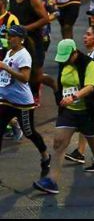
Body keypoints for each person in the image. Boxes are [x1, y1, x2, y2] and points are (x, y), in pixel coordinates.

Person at [33, 39, 94, 194]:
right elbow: (61, 84)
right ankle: (52, 180)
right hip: (69, 111)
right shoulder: (64, 63)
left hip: (88, 111)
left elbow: (90, 87)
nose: (64, 61)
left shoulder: (88, 63)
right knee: (58, 143)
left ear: (75, 52)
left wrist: (74, 97)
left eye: (67, 57)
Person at [0, 25, 50, 181]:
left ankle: (45, 156)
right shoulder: (9, 52)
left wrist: (6, 68)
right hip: (5, 100)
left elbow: (25, 77)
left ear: (21, 39)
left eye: (13, 36)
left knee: (29, 132)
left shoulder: (24, 55)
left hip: (22, 103)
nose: (9, 38)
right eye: (8, 36)